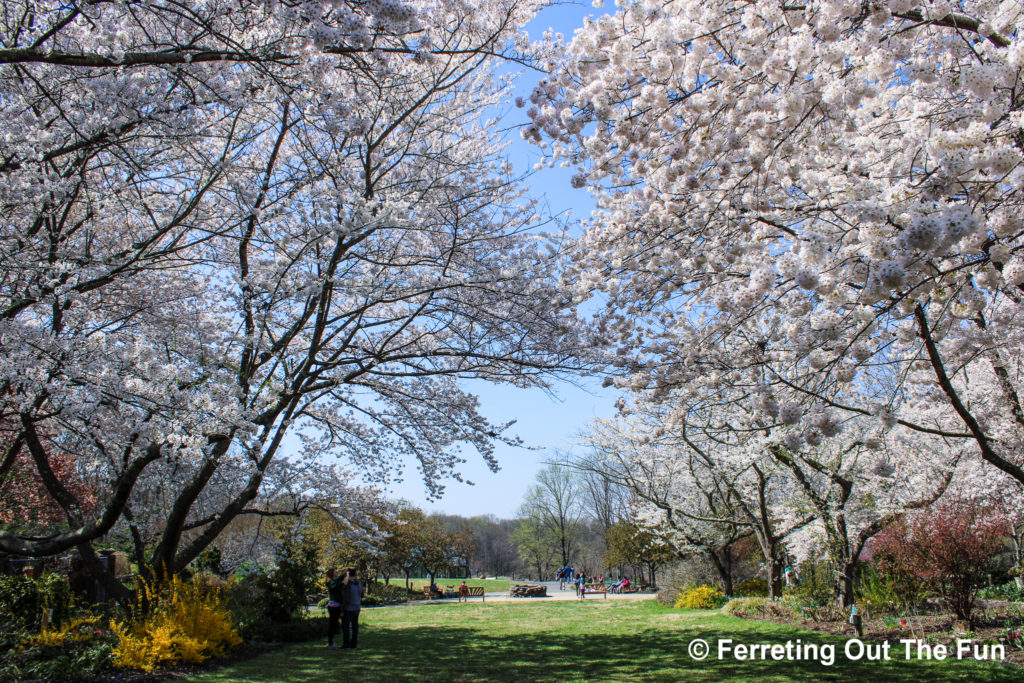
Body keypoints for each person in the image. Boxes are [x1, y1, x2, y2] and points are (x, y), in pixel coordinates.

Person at [341, 567, 365, 649]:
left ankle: (346, 644)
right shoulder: (359, 583)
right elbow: (362, 594)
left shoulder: (348, 583)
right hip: (357, 606)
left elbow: (345, 595)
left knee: (346, 626)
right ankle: (353, 644)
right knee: (355, 626)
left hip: (348, 607)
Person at [325, 568, 344, 649]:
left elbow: (339, 579)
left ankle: (330, 642)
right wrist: (346, 577)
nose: (337, 572)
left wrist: (344, 574)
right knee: (332, 624)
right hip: (334, 606)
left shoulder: (333, 581)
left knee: (333, 624)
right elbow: (342, 584)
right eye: (336, 571)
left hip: (335, 605)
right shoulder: (332, 583)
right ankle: (330, 643)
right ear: (332, 574)